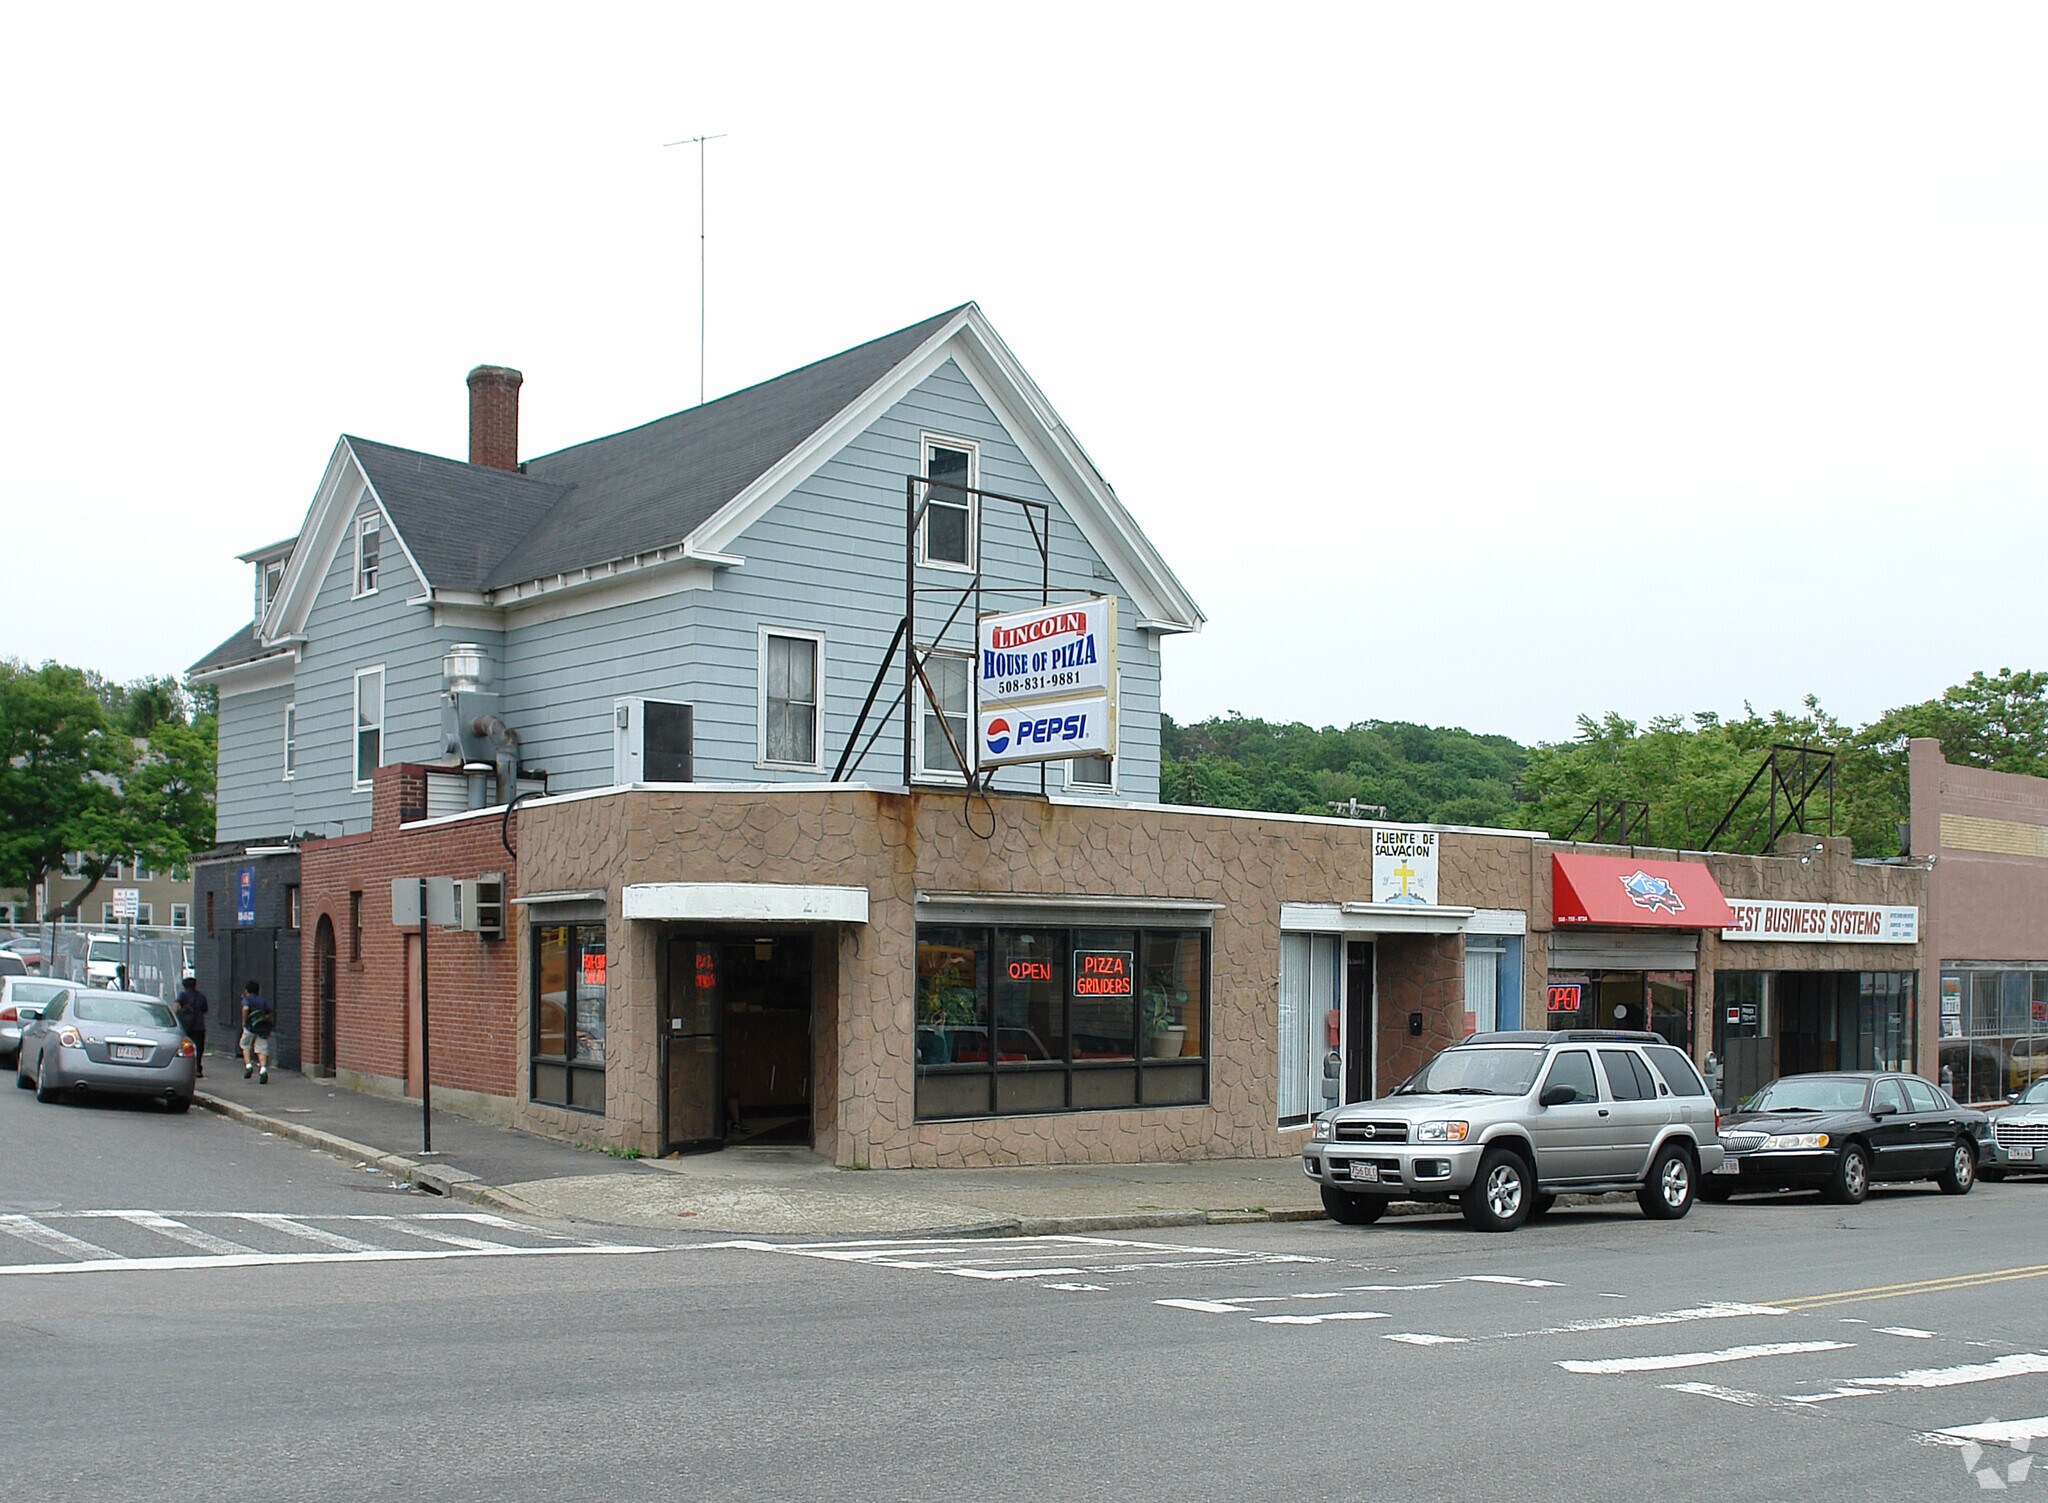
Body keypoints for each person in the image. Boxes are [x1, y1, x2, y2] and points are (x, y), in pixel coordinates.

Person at [173, 975, 208, 1078]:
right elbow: (205, 1009)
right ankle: (198, 1068)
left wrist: (176, 1017)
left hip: (185, 1026)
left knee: (184, 1047)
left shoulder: (182, 995)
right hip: (199, 1026)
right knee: (199, 1047)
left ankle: (184, 1069)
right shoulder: (201, 996)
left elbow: (176, 1005)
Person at [240, 980, 275, 1084]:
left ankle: (248, 1065)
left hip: (250, 1027)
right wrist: (264, 1018)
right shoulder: (263, 1000)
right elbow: (271, 1012)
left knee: (245, 1045)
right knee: (261, 1049)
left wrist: (244, 1021)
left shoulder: (247, 1000)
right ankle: (263, 1069)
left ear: (246, 991)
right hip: (262, 1027)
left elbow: (245, 1008)